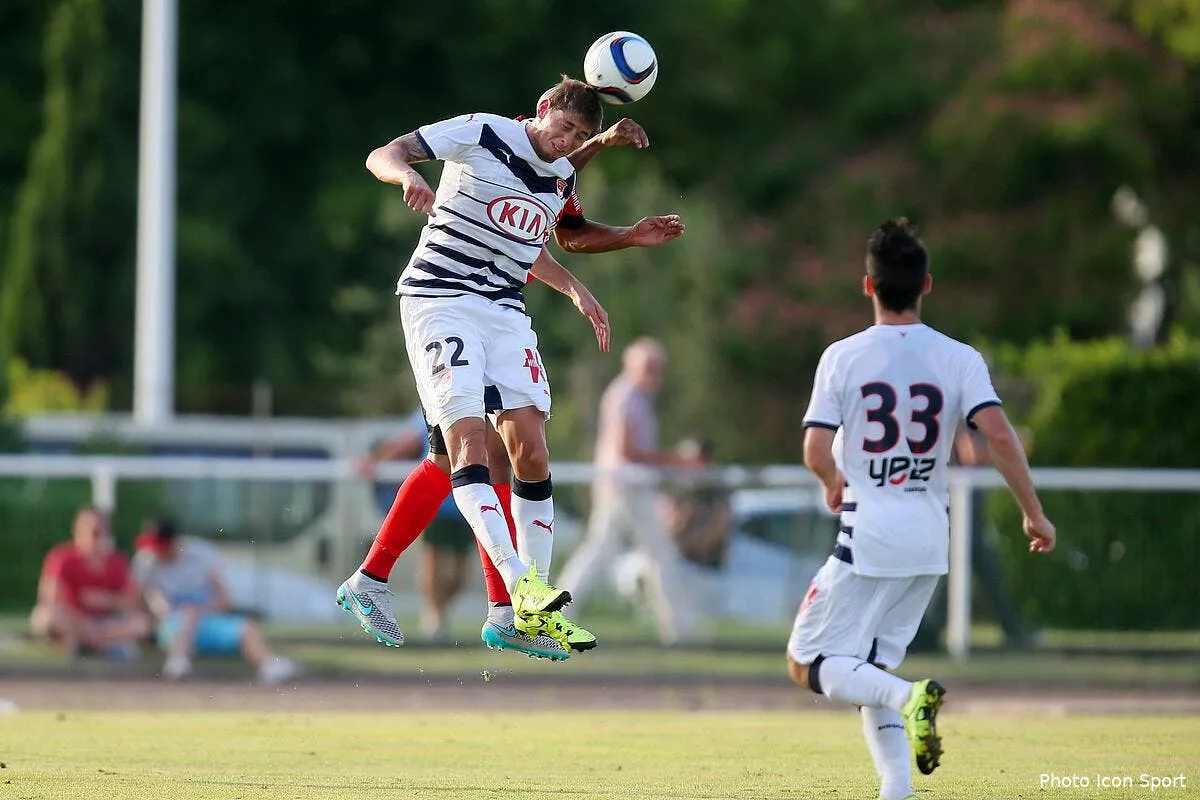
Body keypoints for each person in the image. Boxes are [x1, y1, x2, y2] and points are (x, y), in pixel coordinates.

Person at [336, 82, 685, 660]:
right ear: (542, 110)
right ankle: (515, 597)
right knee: (469, 445)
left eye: (577, 136)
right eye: (562, 129)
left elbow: (560, 237)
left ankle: (516, 606)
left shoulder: (561, 174)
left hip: (504, 312)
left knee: (526, 447)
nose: (566, 142)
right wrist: (409, 177)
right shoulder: (482, 131)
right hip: (440, 298)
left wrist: (625, 237)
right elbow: (385, 153)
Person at [786, 218, 1056, 800]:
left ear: (868, 286)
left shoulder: (843, 356)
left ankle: (912, 698)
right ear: (926, 285)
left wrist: (832, 479)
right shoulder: (959, 358)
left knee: (806, 662)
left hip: (868, 534)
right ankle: (896, 789)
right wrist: (1033, 513)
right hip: (931, 540)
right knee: (872, 670)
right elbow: (1001, 439)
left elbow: (813, 448)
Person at [557, 337, 706, 644]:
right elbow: (628, 451)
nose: (655, 374)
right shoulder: (626, 396)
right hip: (626, 488)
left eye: (657, 368)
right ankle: (680, 629)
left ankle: (557, 613)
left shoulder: (635, 397)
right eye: (649, 367)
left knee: (604, 551)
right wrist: (677, 460)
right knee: (657, 556)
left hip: (627, 486)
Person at [132, 518, 299, 684]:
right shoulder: (146, 561)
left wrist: (200, 610)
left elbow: (225, 601)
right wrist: (158, 608)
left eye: (159, 547)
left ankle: (269, 665)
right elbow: (143, 599)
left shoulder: (201, 554)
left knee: (246, 628)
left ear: (172, 543)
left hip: (205, 621)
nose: (155, 552)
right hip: (171, 626)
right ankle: (178, 662)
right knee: (187, 616)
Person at [358, 410, 475, 642]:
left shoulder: (483, 405)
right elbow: (406, 444)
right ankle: (433, 615)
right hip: (440, 503)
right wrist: (375, 462)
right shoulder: (433, 405)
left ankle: (439, 611)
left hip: (469, 502)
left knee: (460, 573)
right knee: (433, 560)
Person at [30, 506, 151, 660]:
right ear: (77, 531)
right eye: (91, 530)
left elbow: (131, 602)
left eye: (100, 530)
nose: (95, 535)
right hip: (74, 620)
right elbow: (49, 599)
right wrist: (83, 620)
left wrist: (107, 600)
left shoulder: (116, 561)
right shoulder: (62, 558)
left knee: (141, 623)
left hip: (105, 623)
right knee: (46, 617)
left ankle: (84, 644)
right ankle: (98, 644)